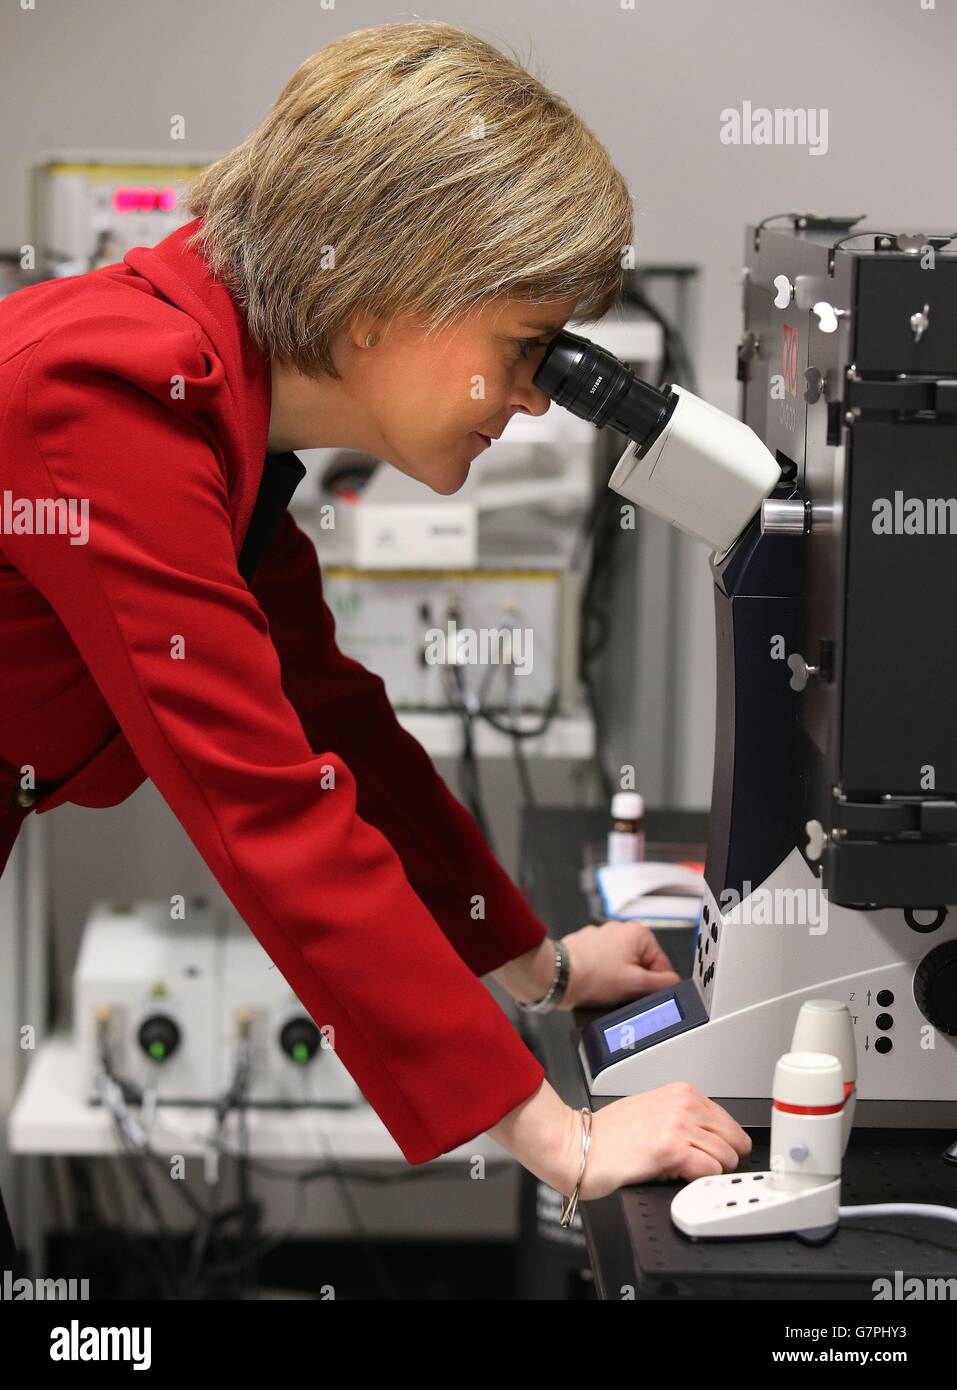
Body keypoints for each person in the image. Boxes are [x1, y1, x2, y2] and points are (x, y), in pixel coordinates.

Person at [0, 21, 750, 1213]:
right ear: (379, 301)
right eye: (522, 349)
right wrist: (564, 1138)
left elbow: (329, 716)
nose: (530, 402)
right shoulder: (103, 401)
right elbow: (263, 803)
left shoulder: (210, 402)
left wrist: (539, 966)